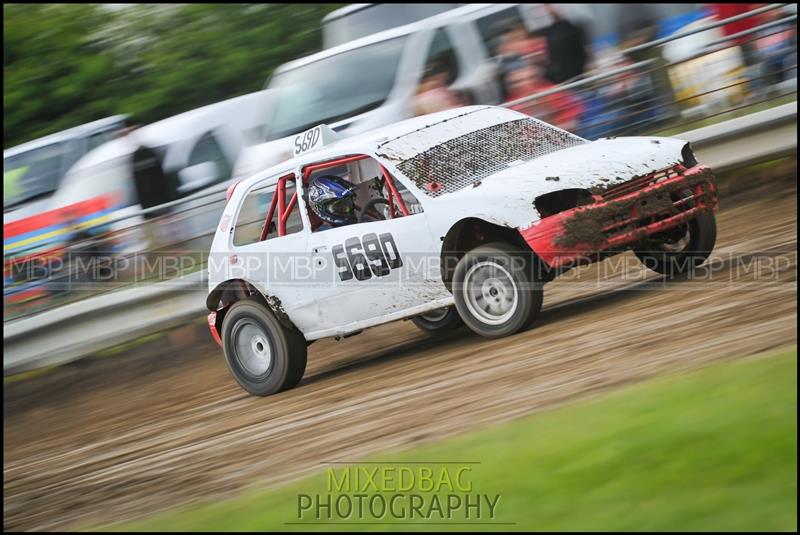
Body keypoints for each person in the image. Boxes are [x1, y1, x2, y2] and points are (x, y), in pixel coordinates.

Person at [506, 62, 585, 132]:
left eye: (530, 78)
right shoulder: (511, 106)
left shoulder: (553, 92)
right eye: (517, 82)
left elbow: (572, 117)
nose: (524, 83)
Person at [535, 4, 589, 84]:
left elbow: (583, 50)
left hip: (574, 75)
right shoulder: (545, 30)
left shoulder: (573, 25)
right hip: (560, 79)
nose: (545, 9)